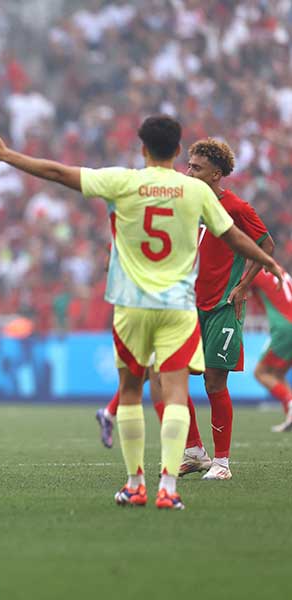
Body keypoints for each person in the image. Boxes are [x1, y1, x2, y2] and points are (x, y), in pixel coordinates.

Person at [0, 115, 286, 510]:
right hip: (178, 307)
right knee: (175, 390)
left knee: (136, 390)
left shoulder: (125, 181)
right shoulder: (193, 192)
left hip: (133, 306)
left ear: (142, 148)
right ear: (177, 150)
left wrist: (7, 155)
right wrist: (271, 266)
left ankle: (137, 483)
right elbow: (235, 236)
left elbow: (55, 172)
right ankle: (168, 487)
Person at [177, 138, 273, 480]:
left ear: (217, 174)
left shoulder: (237, 208)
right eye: (188, 165)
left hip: (222, 306)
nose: (188, 171)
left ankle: (222, 463)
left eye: (196, 167)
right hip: (188, 305)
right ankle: (193, 451)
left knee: (214, 380)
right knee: (169, 376)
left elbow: (267, 245)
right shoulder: (187, 203)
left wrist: (244, 285)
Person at [250, 269, 292, 433]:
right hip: (288, 324)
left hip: (285, 327)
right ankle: (290, 415)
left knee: (261, 372)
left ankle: (290, 402)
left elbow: (236, 286)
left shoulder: (257, 272)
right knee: (278, 374)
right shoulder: (280, 270)